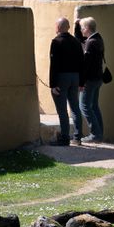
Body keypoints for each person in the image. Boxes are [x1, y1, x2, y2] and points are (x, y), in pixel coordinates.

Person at [48, 17, 84, 146]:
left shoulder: (56, 42)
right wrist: (81, 82)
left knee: (62, 110)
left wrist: (53, 84)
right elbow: (82, 62)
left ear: (57, 27)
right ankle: (77, 137)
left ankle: (64, 138)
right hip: (75, 77)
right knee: (75, 107)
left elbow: (54, 64)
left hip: (62, 77)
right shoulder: (75, 42)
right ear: (68, 27)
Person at [78, 16, 105, 144]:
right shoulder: (98, 38)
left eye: (82, 28)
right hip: (98, 78)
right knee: (94, 106)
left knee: (84, 106)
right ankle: (99, 133)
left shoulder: (91, 42)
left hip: (90, 80)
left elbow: (86, 65)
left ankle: (95, 134)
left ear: (87, 28)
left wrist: (81, 82)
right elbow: (83, 41)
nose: (81, 30)